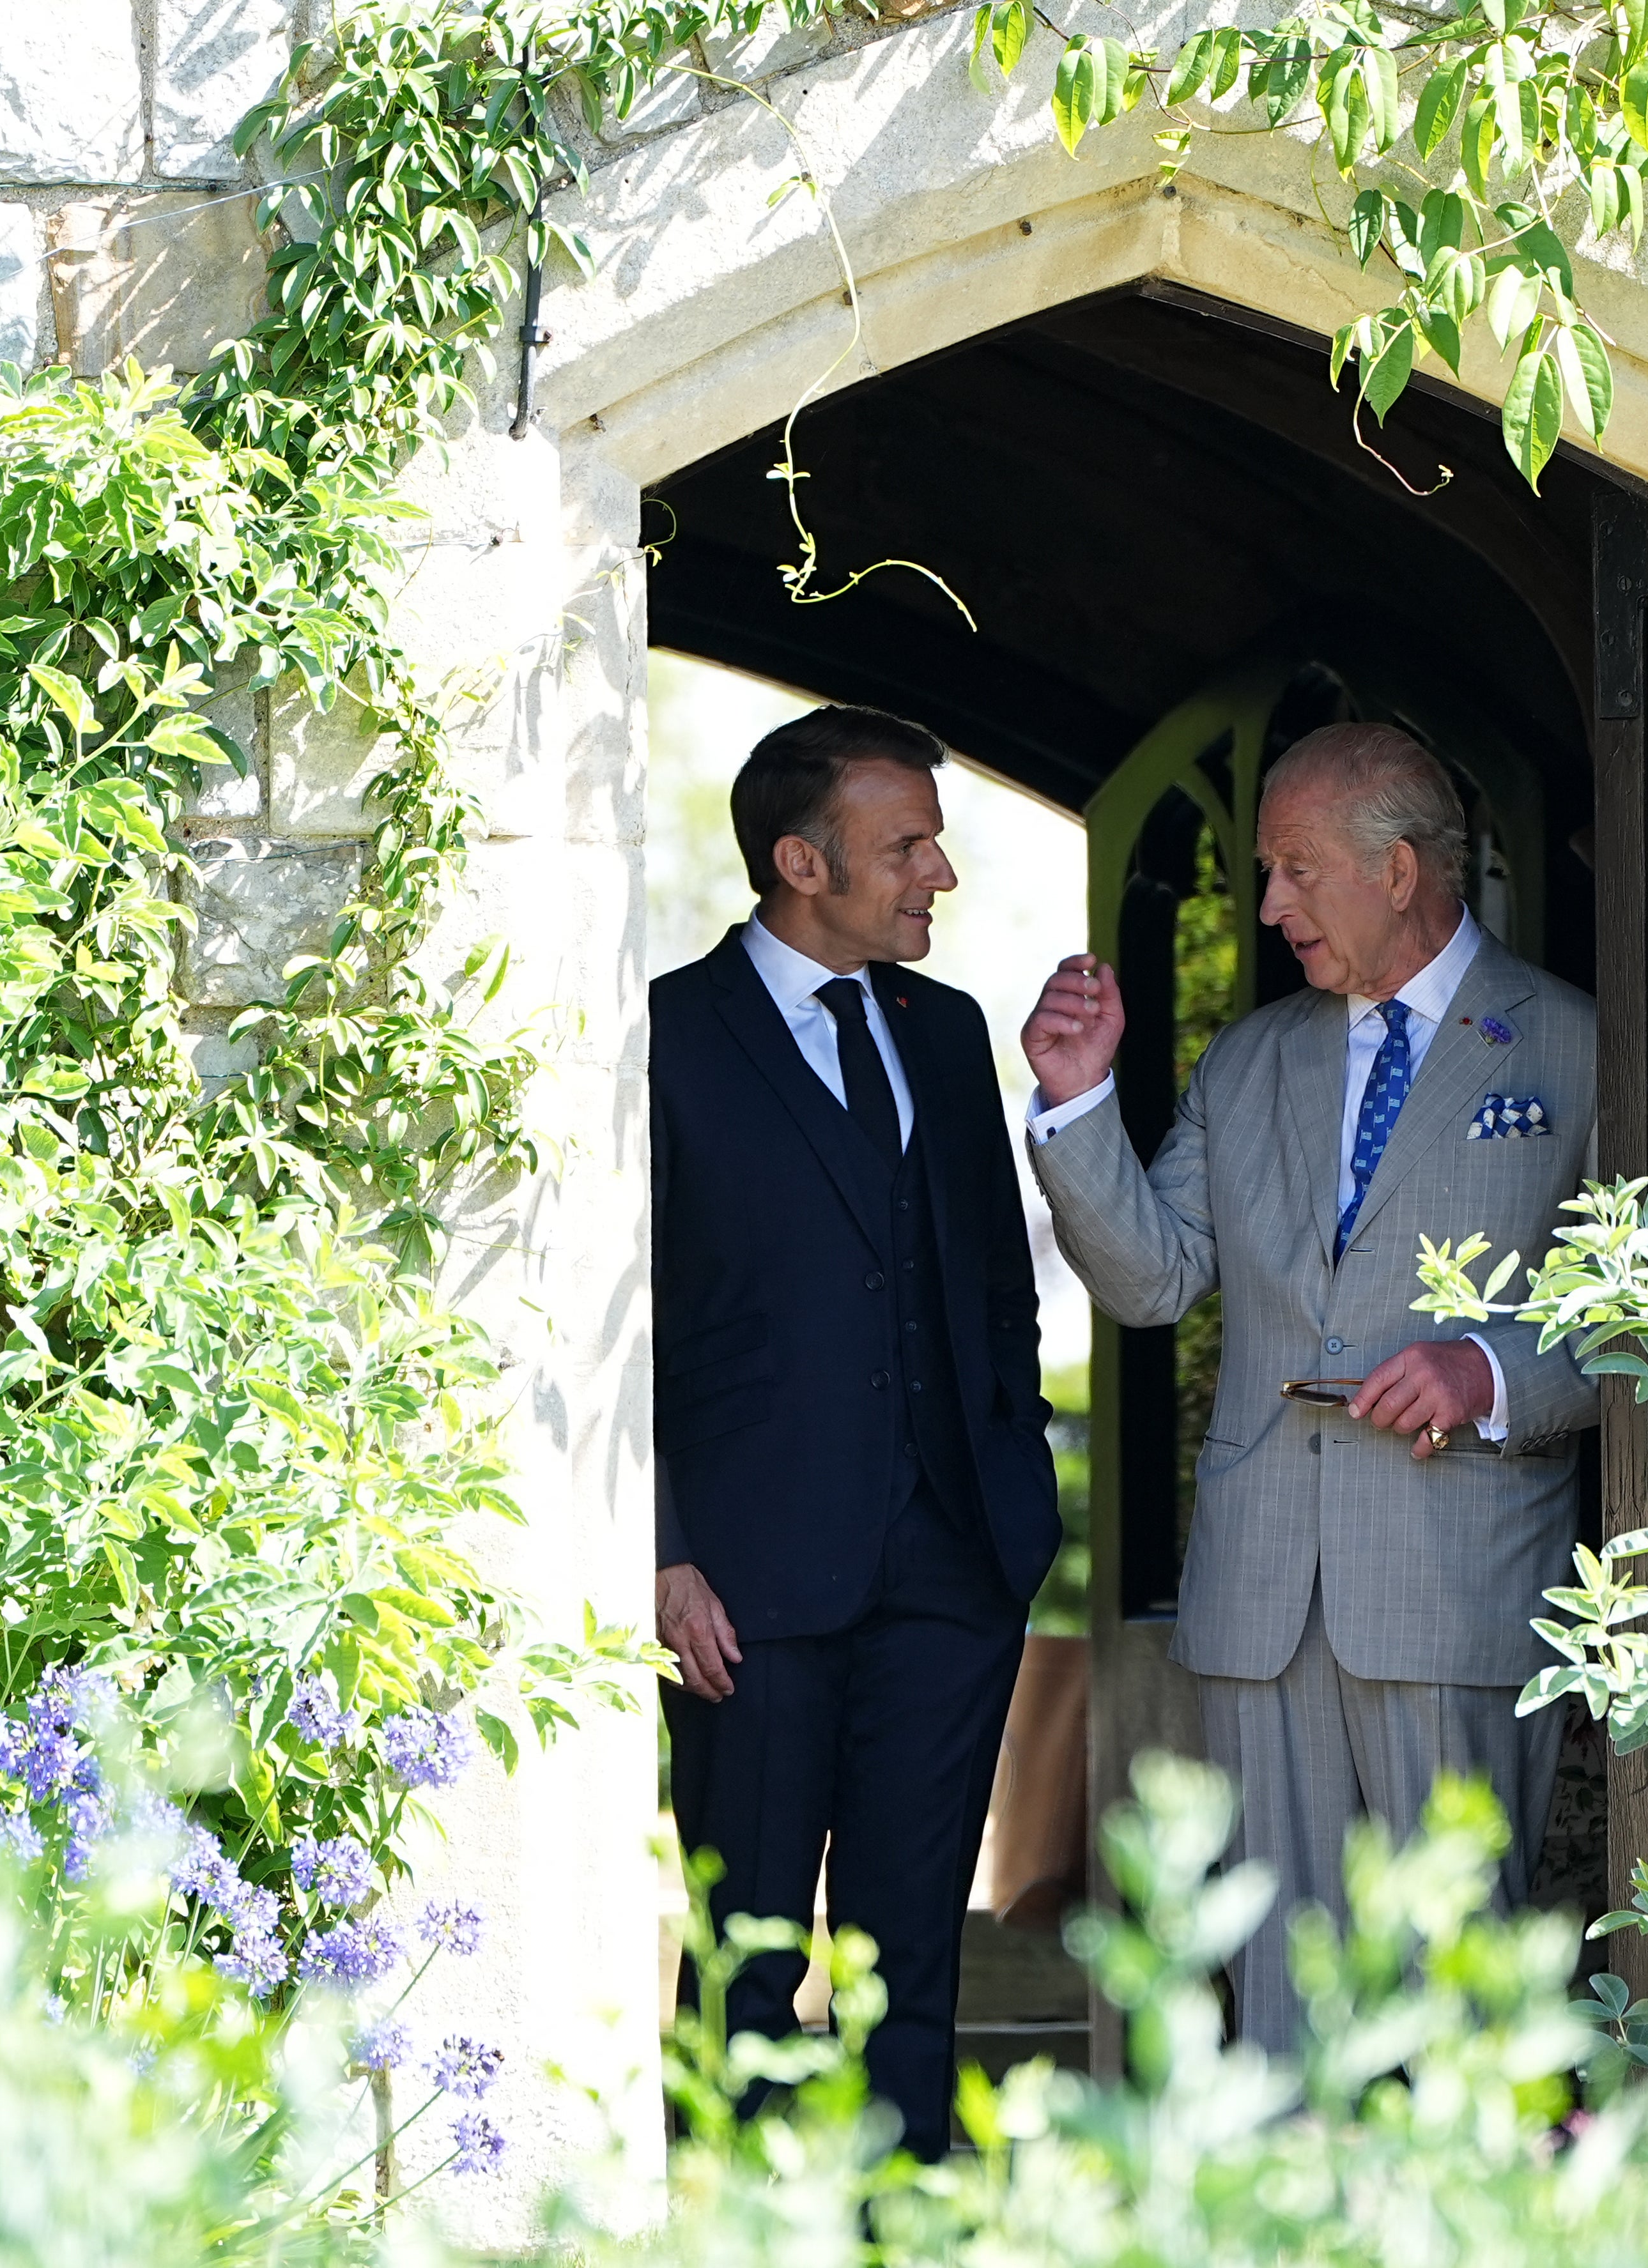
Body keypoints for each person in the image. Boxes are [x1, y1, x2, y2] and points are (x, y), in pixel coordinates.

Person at [1015, 721, 1596, 2057]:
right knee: (1275, 1989)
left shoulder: (1573, 1046)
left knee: (1459, 1987)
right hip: (1260, 1594)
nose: (1266, 903)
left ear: (1398, 870)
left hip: (1458, 1586)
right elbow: (1154, 1279)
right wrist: (1073, 1106)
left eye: (1291, 870)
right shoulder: (1247, 1061)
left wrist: (1490, 1370)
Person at [651, 704, 1060, 2159]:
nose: (936, 873)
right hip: (743, 1596)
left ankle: (907, 2227)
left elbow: (993, 1295)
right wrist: (663, 1555)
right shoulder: (659, 1036)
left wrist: (1017, 1503)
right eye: (906, 845)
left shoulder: (946, 1035)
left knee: (913, 1969)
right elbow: (611, 1317)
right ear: (798, 861)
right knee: (746, 1966)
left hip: (951, 1575)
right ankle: (744, 2227)